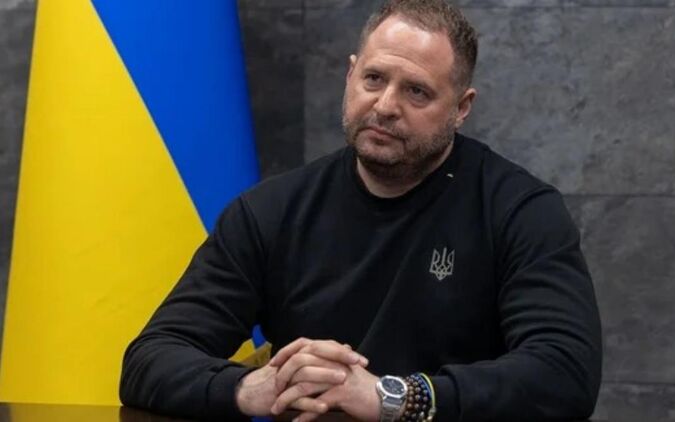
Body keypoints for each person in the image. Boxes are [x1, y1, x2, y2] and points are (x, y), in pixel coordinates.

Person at [119, 1, 602, 421]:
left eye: (416, 91)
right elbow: (149, 360)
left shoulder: (519, 211)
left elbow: (565, 372)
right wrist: (251, 387)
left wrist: (394, 397)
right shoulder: (271, 211)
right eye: (374, 78)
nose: (385, 105)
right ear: (350, 75)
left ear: (461, 108)